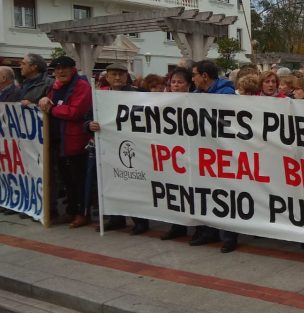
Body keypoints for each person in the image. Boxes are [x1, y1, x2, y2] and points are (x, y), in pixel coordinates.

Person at [87, 63, 150, 233]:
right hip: (109, 149)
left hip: (132, 147)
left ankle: (140, 221)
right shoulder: (100, 96)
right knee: (111, 183)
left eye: (121, 75)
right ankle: (116, 218)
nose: (117, 78)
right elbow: (88, 118)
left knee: (134, 184)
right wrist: (89, 125)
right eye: (113, 74)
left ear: (126, 77)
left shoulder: (137, 95)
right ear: (107, 77)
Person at [37, 56, 92, 226]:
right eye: (57, 69)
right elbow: (48, 101)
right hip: (60, 142)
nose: (60, 71)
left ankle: (83, 213)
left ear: (72, 69)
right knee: (67, 180)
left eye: (64, 68)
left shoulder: (82, 86)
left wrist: (53, 108)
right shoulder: (56, 86)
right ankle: (71, 211)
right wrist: (45, 99)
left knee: (79, 180)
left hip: (75, 142)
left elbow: (75, 112)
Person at [191, 60, 238, 253]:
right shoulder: (194, 95)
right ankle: (207, 231)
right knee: (204, 192)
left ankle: (229, 236)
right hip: (203, 153)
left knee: (225, 193)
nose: (192, 79)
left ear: (204, 76)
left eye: (194, 74)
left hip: (223, 152)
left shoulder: (226, 94)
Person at [160, 68, 196, 241]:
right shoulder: (162, 101)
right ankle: (178, 226)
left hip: (193, 154)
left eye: (180, 82)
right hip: (173, 155)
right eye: (173, 82)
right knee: (177, 191)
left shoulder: (196, 101)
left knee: (193, 191)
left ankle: (197, 227)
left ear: (188, 84)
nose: (175, 85)